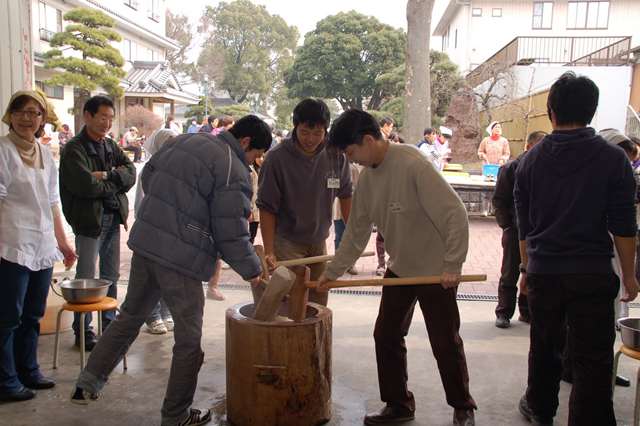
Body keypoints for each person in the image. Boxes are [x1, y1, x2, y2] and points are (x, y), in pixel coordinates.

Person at [71, 115, 271, 426]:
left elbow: (149, 179)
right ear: (245, 143)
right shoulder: (233, 168)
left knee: (129, 317)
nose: (255, 161)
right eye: (256, 154)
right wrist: (253, 270)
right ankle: (176, 414)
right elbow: (231, 230)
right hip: (181, 259)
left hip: (148, 243)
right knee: (189, 340)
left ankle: (88, 383)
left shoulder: (183, 141)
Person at [318, 109, 476, 426]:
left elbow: (454, 213)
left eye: (351, 153)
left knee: (445, 341)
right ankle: (399, 404)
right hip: (400, 268)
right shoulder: (367, 180)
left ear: (366, 140)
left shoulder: (412, 163)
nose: (353, 160)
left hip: (435, 271)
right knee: (386, 335)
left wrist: (452, 262)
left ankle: (463, 407)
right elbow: (356, 233)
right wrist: (332, 273)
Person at [514, 72, 638, 426]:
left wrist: (526, 270)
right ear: (592, 111)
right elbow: (624, 226)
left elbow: (526, 227)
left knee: (544, 346)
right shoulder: (613, 159)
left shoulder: (529, 162)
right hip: (592, 273)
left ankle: (539, 409)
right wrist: (629, 275)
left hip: (544, 272)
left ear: (551, 111)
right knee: (593, 356)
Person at [0, 90, 76, 402]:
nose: (27, 118)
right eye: (21, 111)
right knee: (7, 317)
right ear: (10, 115)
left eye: (35, 113)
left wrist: (63, 241)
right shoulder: (2, 150)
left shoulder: (45, 153)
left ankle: (28, 370)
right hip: (11, 244)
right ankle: (6, 381)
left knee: (33, 313)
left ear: (43, 119)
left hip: (42, 244)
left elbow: (52, 201)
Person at [257, 98, 352, 307]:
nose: (311, 139)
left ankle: (315, 341)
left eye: (318, 133)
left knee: (319, 296)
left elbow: (346, 195)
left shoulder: (336, 154)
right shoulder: (277, 158)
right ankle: (289, 339)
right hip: (287, 241)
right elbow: (266, 207)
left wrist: (352, 237)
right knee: (293, 300)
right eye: (305, 132)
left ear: (326, 130)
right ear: (295, 128)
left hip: (319, 240)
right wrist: (270, 250)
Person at [59, 96, 137, 351]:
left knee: (110, 275)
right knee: (86, 277)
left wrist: (106, 176)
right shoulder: (74, 149)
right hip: (88, 220)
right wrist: (113, 184)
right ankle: (83, 331)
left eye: (111, 118)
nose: (107, 123)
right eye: (102, 117)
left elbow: (130, 172)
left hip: (111, 217)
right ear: (88, 116)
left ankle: (109, 325)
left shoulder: (109, 145)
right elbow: (84, 186)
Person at [492, 130, 546, 329]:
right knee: (509, 272)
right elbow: (499, 200)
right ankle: (504, 312)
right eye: (539, 146)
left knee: (534, 272)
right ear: (529, 146)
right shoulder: (511, 168)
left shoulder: (547, 168)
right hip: (515, 230)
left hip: (539, 230)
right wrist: (507, 225)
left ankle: (527, 312)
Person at [133, 128, 179, 335]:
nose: (170, 144)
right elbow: (141, 204)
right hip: (153, 231)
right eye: (166, 141)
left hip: (172, 232)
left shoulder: (179, 169)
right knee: (151, 277)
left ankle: (167, 311)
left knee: (170, 276)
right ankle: (152, 316)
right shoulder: (149, 170)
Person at [333, 162, 361, 275]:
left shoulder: (353, 169)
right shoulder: (333, 169)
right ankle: (337, 264)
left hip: (351, 209)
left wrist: (349, 189)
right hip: (337, 210)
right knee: (339, 237)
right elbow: (331, 187)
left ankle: (351, 264)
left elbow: (358, 187)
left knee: (351, 237)